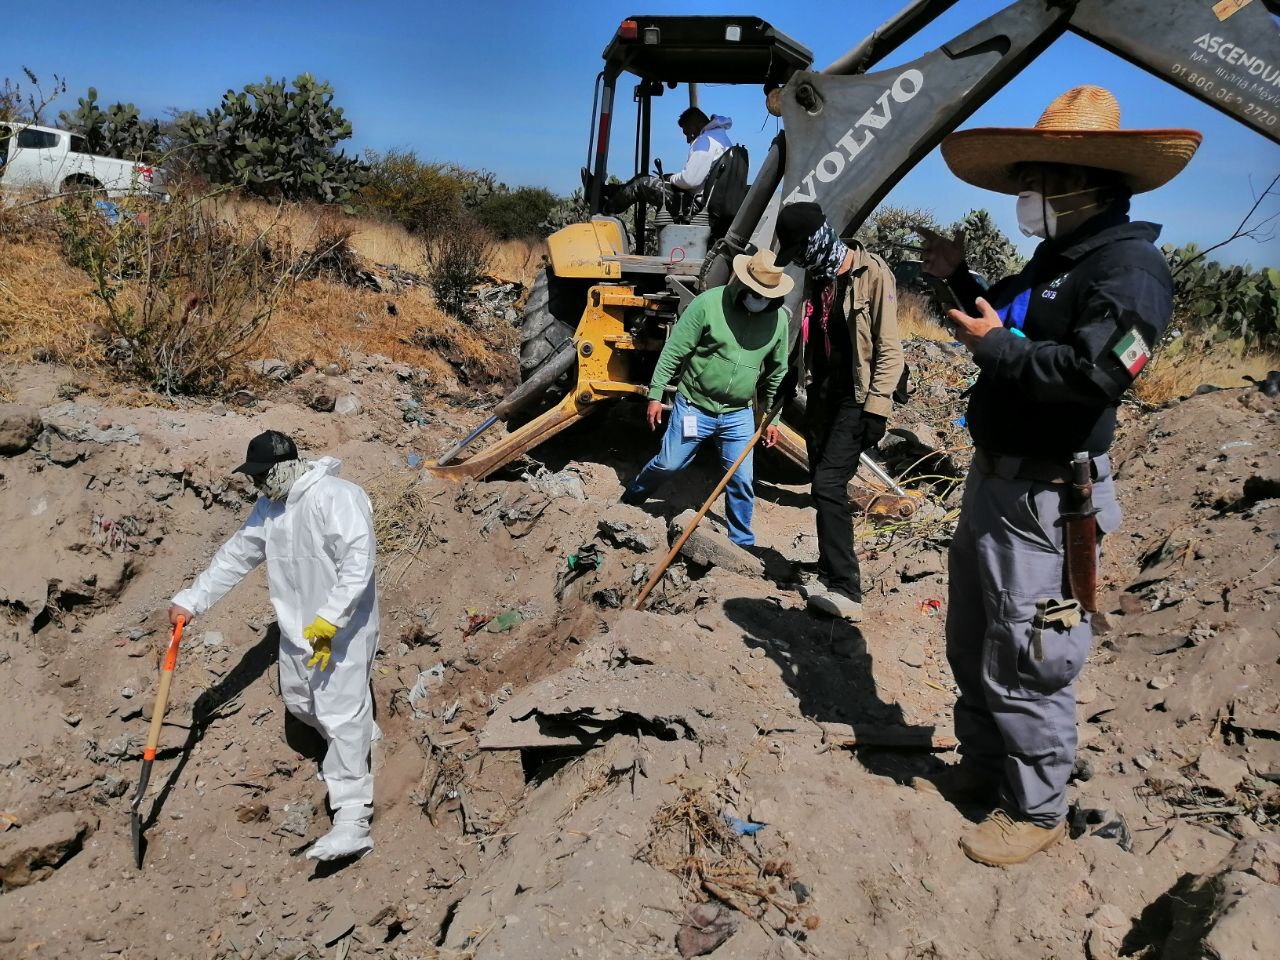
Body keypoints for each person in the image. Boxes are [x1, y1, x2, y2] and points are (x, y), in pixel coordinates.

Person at [913, 85, 1201, 866]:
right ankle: (986, 766)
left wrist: (999, 351)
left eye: (1039, 181)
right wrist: (960, 278)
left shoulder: (1130, 271)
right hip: (997, 485)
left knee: (1034, 653)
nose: (1028, 196)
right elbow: (1003, 321)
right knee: (975, 635)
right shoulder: (1057, 260)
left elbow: (1098, 373)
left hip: (1050, 502)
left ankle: (1035, 808)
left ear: (1086, 184)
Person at [168, 430, 381, 862]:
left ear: (285, 467)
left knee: (339, 714)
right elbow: (236, 555)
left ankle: (352, 820)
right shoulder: (270, 508)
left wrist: (331, 619)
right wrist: (192, 600)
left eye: (261, 475)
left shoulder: (337, 496)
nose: (256, 483)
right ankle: (363, 742)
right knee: (301, 702)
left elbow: (358, 562)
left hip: (341, 632)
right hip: (297, 630)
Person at [773, 201, 903, 622]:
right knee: (820, 483)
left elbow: (889, 349)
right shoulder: (819, 275)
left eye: (800, 251)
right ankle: (829, 571)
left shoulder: (872, 274)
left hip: (855, 397)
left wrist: (876, 410)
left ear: (817, 239)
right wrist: (791, 378)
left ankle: (847, 588)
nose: (799, 262)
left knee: (829, 484)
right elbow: (810, 335)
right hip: (822, 394)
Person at [621, 249, 792, 547]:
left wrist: (772, 419)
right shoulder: (709, 304)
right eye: (756, 292)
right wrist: (656, 394)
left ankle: (741, 543)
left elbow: (778, 373)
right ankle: (630, 501)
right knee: (669, 463)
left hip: (738, 413)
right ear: (743, 282)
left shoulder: (778, 321)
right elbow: (674, 350)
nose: (760, 299)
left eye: (766, 295)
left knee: (741, 479)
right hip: (695, 405)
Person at [606, 108, 735, 216]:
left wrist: (671, 178)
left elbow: (690, 181)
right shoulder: (721, 139)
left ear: (695, 126)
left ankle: (606, 211)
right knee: (642, 179)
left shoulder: (705, 141)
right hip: (708, 201)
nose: (687, 139)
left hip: (694, 205)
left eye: (687, 133)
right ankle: (609, 191)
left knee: (641, 183)